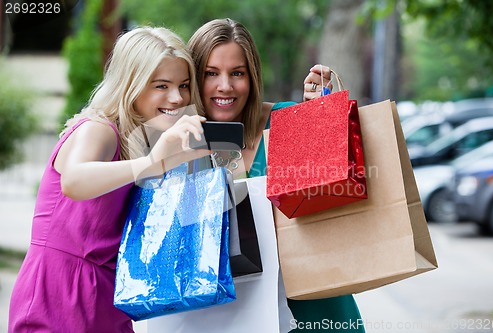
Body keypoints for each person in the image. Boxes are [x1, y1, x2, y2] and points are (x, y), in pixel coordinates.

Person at [8, 26, 210, 333]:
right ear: (131, 84)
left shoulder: (148, 139)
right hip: (60, 293)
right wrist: (150, 163)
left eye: (183, 85)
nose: (177, 97)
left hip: (104, 298)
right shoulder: (99, 128)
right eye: (161, 85)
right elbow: (73, 181)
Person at [188, 18, 365, 332]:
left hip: (314, 308)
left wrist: (323, 118)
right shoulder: (184, 144)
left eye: (237, 73)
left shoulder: (285, 121)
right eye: (210, 74)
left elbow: (337, 199)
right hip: (238, 316)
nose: (225, 86)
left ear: (253, 77)